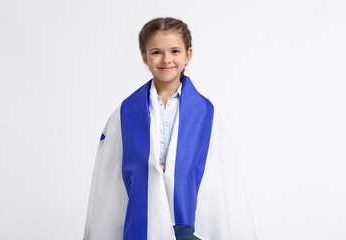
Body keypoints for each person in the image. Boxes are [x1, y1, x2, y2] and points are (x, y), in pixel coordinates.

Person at [83, 17, 257, 240]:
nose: (166, 59)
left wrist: (175, 173)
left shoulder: (204, 113)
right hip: (142, 219)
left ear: (188, 55)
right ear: (144, 56)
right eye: (156, 52)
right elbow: (110, 177)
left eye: (175, 51)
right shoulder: (126, 112)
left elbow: (219, 178)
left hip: (185, 225)